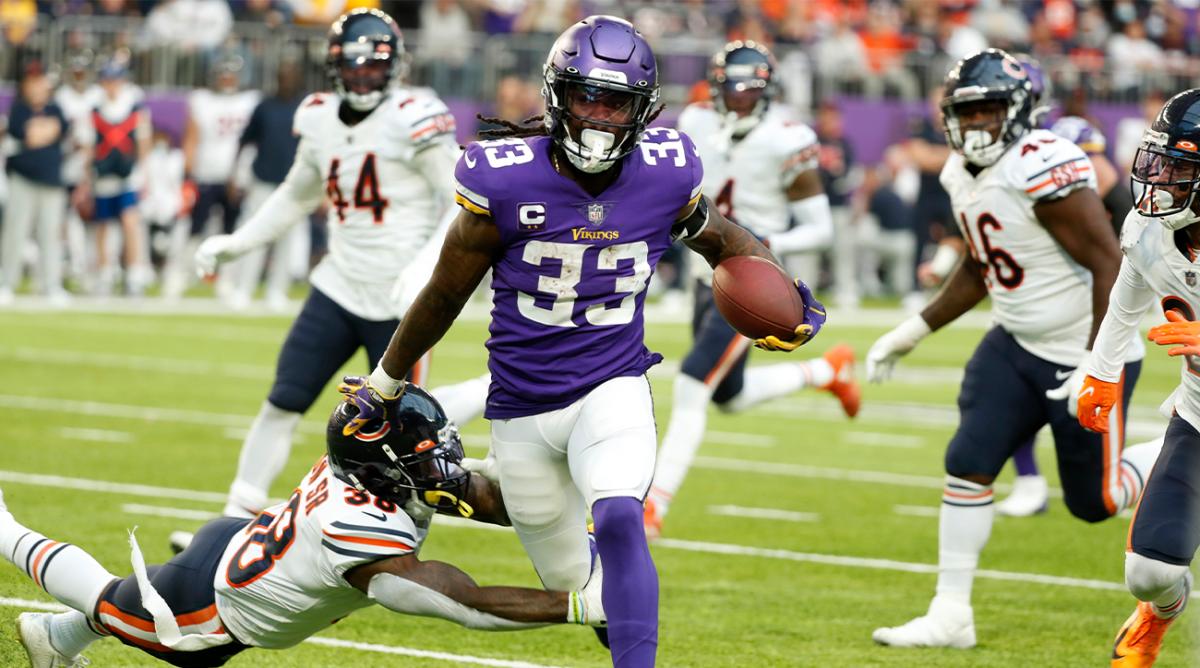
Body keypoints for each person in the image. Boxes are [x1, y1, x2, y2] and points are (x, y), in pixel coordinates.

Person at [337, 16, 825, 667]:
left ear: (642, 109)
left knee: (621, 516)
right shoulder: (505, 178)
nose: (598, 114)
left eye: (616, 101)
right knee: (578, 589)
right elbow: (445, 292)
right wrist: (386, 380)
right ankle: (466, 488)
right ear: (556, 95)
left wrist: (782, 292)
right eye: (585, 96)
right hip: (520, 410)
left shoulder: (664, 171)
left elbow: (727, 241)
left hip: (611, 387)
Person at [866, 49, 1160, 649]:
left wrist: (1095, 363)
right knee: (967, 461)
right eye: (965, 113)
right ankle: (951, 615)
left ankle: (1179, 449)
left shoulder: (1041, 165)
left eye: (988, 111)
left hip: (1085, 347)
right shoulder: (955, 172)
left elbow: (1111, 262)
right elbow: (980, 265)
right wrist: (913, 330)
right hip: (1014, 342)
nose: (974, 126)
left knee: (1095, 503)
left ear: (1019, 112)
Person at [8, 386, 606, 667]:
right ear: (387, 467)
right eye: (424, 455)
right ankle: (5, 530)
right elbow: (466, 603)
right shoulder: (361, 530)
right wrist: (582, 607)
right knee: (110, 598)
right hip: (207, 613)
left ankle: (56, 640)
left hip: (238, 545)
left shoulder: (370, 470)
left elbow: (488, 497)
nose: (443, 464)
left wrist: (583, 536)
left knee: (119, 607)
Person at [189, 9, 489, 524]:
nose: (362, 76)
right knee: (285, 397)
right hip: (338, 285)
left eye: (372, 66)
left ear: (393, 66)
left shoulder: (416, 113)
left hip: (402, 298)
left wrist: (425, 270)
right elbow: (294, 196)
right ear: (334, 68)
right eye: (352, 66)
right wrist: (236, 243)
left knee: (404, 430)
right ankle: (235, 518)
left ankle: (483, 397)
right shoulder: (319, 116)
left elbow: (461, 201)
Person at [643, 40, 858, 540]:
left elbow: (820, 228)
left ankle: (654, 504)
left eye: (750, 89)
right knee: (729, 396)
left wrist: (765, 242)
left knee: (694, 382)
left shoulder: (788, 137)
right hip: (704, 274)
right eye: (731, 88)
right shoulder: (696, 121)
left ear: (768, 90)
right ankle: (827, 370)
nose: (739, 97)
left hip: (751, 277)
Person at [1079, 89, 1200, 667]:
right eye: (1163, 161)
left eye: (1180, 168)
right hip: (1199, 420)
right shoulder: (1150, 228)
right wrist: (1100, 374)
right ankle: (1158, 615)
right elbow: (1125, 303)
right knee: (1149, 572)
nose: (1162, 178)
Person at [996, 56, 1144, 518]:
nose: (1096, 170)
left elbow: (1124, 260)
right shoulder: (1027, 172)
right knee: (1006, 399)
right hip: (1036, 309)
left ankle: (1168, 462)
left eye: (1097, 158)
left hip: (1096, 320)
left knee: (1094, 491)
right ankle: (1028, 481)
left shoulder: (1113, 197)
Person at [166, 55, 260, 301]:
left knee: (232, 232)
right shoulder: (202, 101)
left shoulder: (250, 102)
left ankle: (226, 280)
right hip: (206, 173)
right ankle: (179, 275)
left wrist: (244, 174)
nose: (227, 79)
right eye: (223, 74)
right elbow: (191, 137)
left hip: (235, 176)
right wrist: (188, 174)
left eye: (231, 74)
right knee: (194, 229)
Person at [227, 61, 308, 311]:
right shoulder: (264, 107)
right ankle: (244, 289)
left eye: (291, 75)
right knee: (256, 235)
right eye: (283, 76)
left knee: (286, 239)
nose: (287, 80)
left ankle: (277, 291)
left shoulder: (305, 108)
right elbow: (245, 141)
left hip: (293, 185)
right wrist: (234, 174)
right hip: (263, 180)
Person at [76, 58, 151, 296]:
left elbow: (143, 144)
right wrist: (86, 180)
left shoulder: (135, 108)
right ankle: (105, 273)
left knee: (130, 223)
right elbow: (89, 148)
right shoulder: (94, 110)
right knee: (104, 226)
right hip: (104, 175)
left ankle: (134, 273)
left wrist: (144, 174)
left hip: (128, 176)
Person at [0, 61, 69, 306]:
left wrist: (41, 131)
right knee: (15, 233)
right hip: (23, 180)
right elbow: (30, 136)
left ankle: (51, 285)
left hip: (51, 181)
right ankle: (6, 283)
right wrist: (43, 131)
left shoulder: (56, 108)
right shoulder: (18, 109)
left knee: (51, 235)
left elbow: (55, 131)